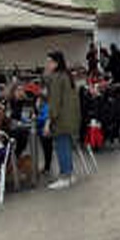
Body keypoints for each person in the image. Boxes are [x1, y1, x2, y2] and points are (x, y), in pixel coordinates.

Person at [44, 51, 80, 190]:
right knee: (66, 147)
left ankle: (65, 177)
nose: (47, 64)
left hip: (61, 120)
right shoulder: (67, 75)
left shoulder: (56, 78)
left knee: (61, 147)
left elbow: (55, 103)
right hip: (71, 118)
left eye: (49, 62)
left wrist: (48, 122)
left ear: (56, 63)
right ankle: (69, 175)